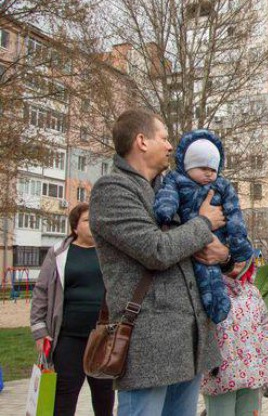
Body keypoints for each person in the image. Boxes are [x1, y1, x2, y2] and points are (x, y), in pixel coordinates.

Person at [89, 108, 230, 416]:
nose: (170, 146)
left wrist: (225, 255)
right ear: (142, 141)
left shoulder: (169, 188)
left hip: (187, 339)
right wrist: (203, 224)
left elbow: (197, 249)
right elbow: (157, 250)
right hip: (148, 344)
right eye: (164, 138)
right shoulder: (112, 190)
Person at [154, 129, 257, 324]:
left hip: (216, 240)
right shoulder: (176, 180)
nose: (209, 174)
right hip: (190, 243)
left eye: (213, 170)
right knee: (203, 274)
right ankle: (215, 307)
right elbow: (168, 195)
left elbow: (234, 214)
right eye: (203, 168)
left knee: (212, 275)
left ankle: (218, 306)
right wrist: (165, 209)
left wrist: (238, 242)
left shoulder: (222, 185)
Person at [30, 202, 115, 416]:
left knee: (104, 394)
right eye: (87, 220)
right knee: (65, 394)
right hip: (68, 336)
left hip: (103, 337)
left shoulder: (111, 253)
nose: (93, 223)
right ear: (75, 227)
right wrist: (40, 331)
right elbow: (41, 292)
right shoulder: (58, 253)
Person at [200, 257, 268, 416]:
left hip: (253, 374)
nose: (238, 259)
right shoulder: (208, 290)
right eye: (232, 253)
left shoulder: (253, 292)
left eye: (243, 255)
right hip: (220, 377)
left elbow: (265, 325)